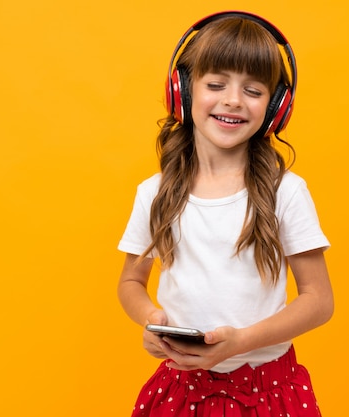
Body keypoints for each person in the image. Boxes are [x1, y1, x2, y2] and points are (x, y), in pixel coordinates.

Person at [117, 11, 334, 417]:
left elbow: (319, 300)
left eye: (253, 90)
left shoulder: (285, 192)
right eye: (216, 84)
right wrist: (150, 318)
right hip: (180, 388)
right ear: (181, 91)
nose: (233, 100)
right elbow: (131, 279)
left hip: (268, 390)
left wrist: (243, 341)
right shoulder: (155, 193)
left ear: (275, 107)